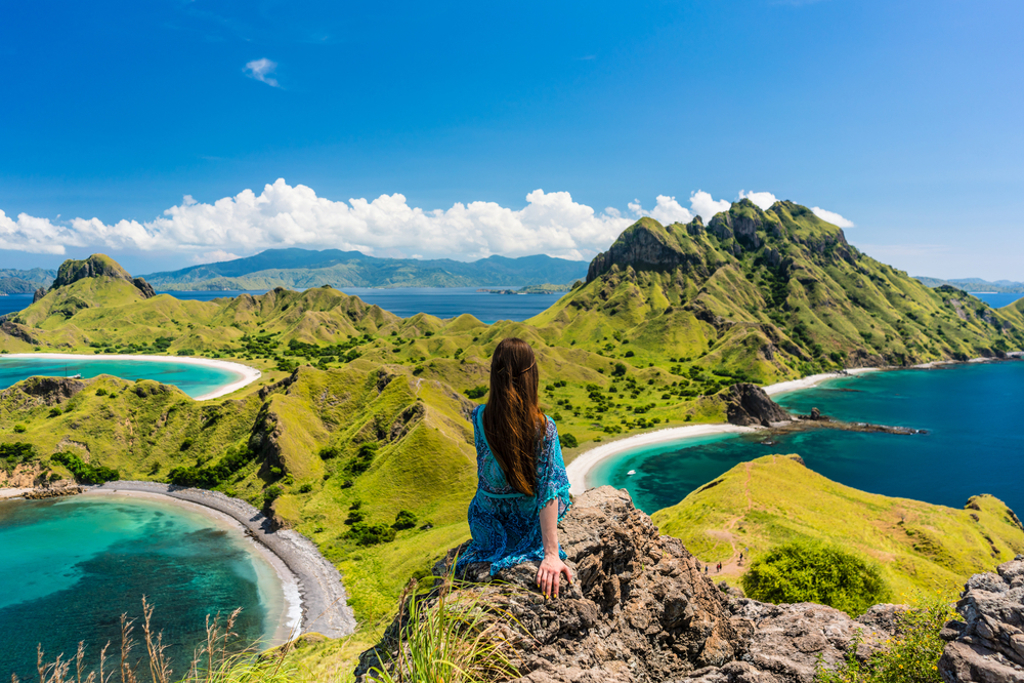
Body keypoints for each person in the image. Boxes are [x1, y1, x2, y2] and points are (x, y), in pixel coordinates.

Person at [454, 338, 573, 599]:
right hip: (524, 523)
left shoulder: (479, 417)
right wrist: (550, 553)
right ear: (531, 376)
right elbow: (549, 490)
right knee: (559, 486)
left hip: (485, 523)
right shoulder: (544, 427)